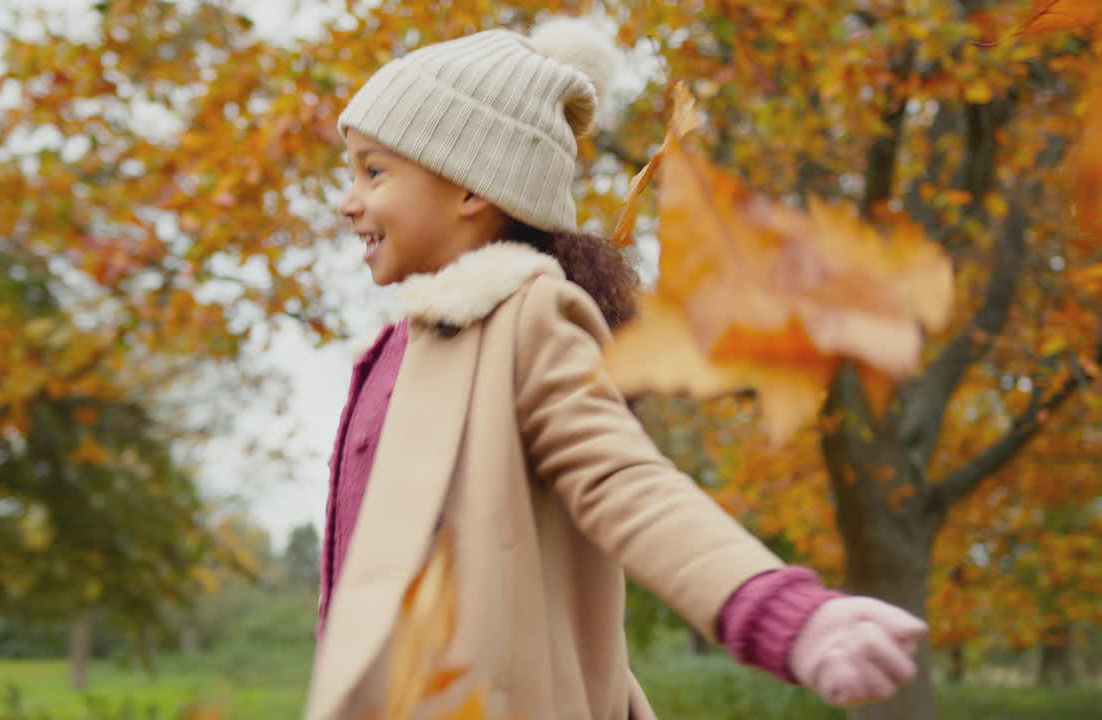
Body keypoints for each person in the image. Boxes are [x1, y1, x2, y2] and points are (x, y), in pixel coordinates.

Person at [306, 17, 927, 720]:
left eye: (374, 170)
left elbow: (622, 479)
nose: (347, 199)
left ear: (469, 187)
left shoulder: (526, 320)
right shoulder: (400, 350)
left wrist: (778, 610)